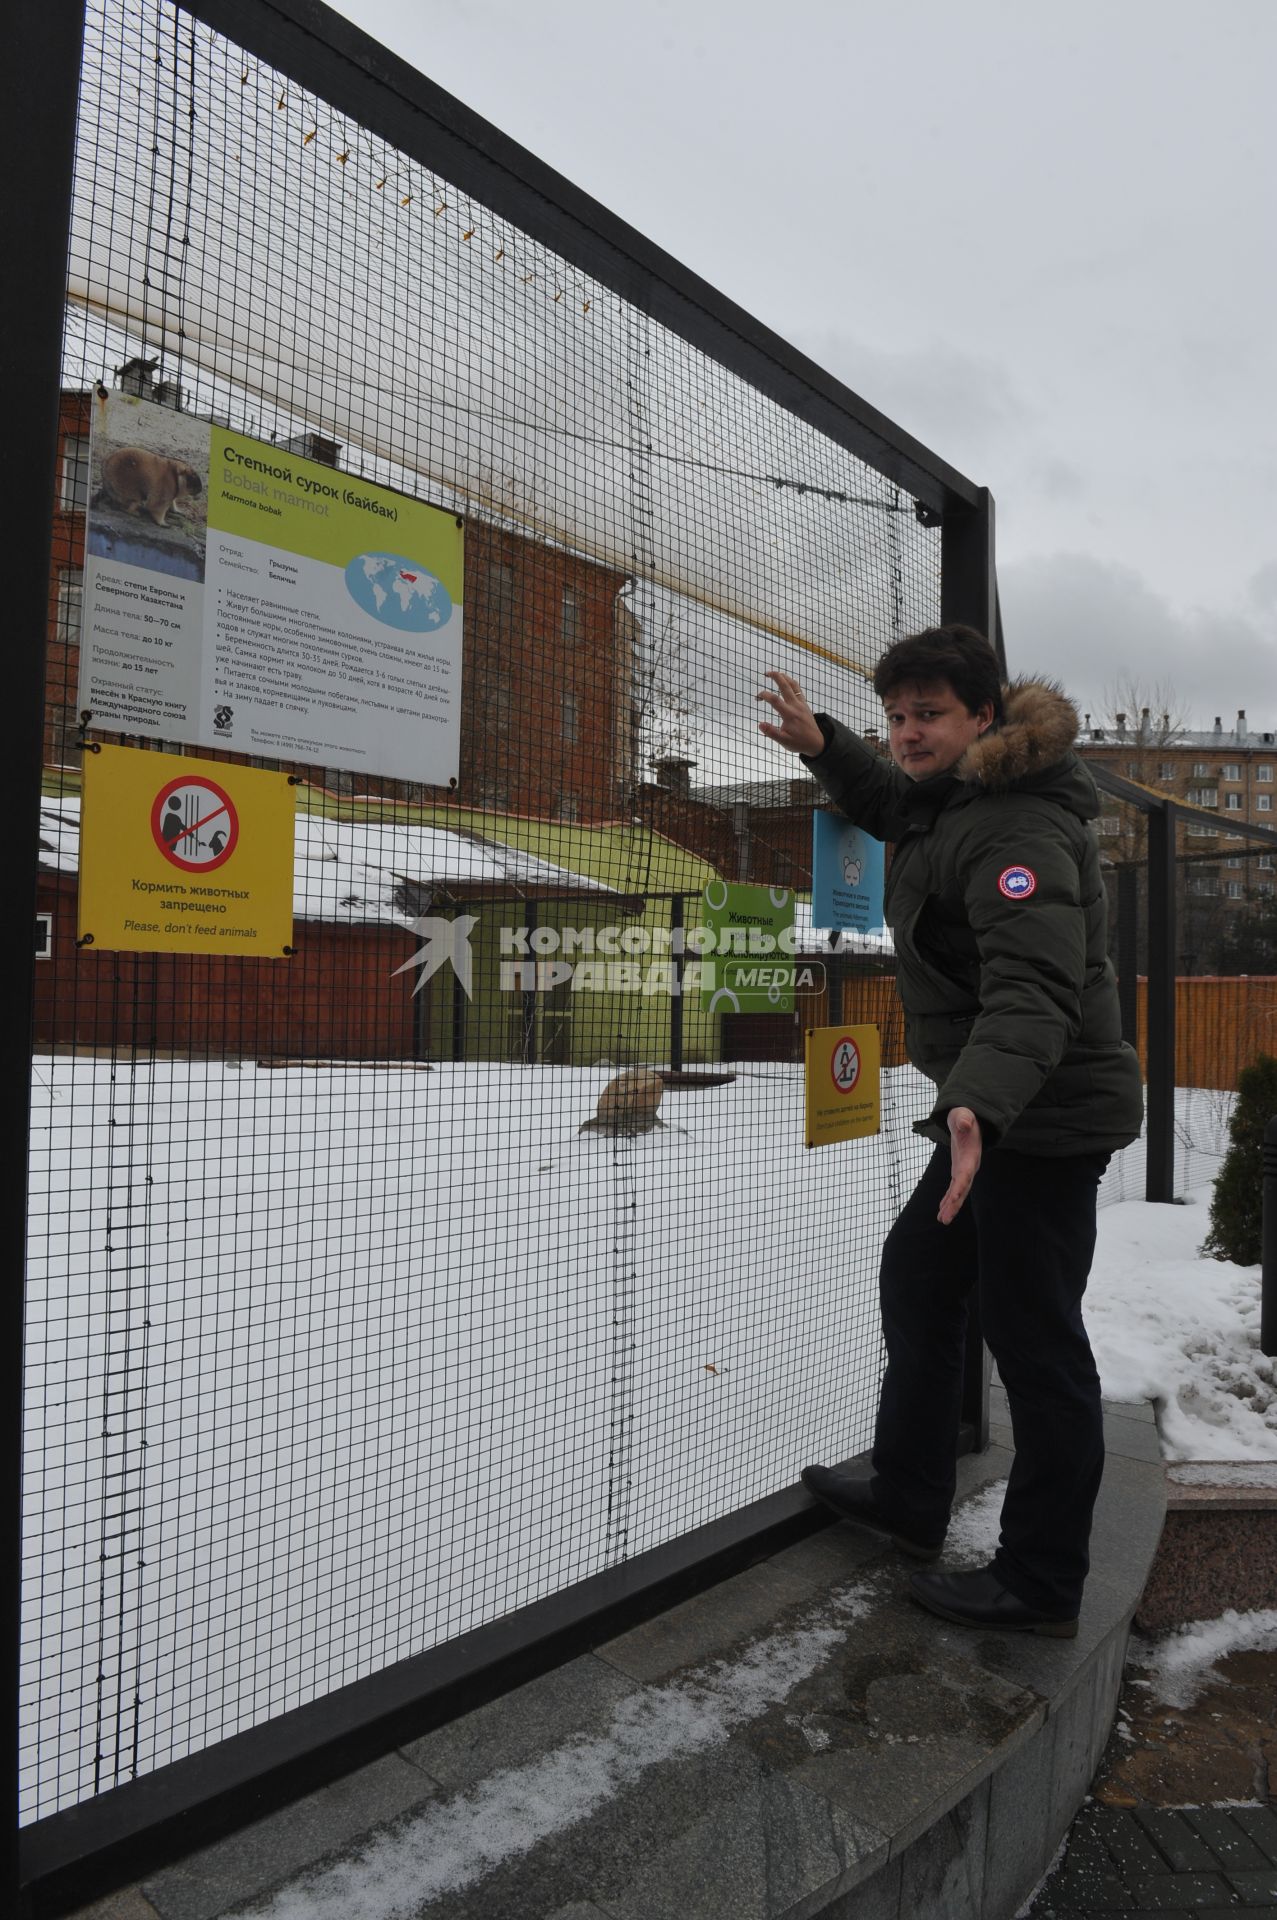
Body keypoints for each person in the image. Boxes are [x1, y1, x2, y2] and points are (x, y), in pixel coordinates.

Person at [757, 625, 1143, 1638]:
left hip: (1037, 1120)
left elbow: (1032, 991)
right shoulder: (963, 793)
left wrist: (975, 1105)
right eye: (894, 717)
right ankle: (908, 1495)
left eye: (926, 714)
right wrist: (823, 745)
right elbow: (894, 806)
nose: (907, 734)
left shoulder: (1018, 828)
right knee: (920, 1282)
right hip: (989, 1113)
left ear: (981, 716)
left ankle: (1040, 1582)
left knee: (1035, 1346)